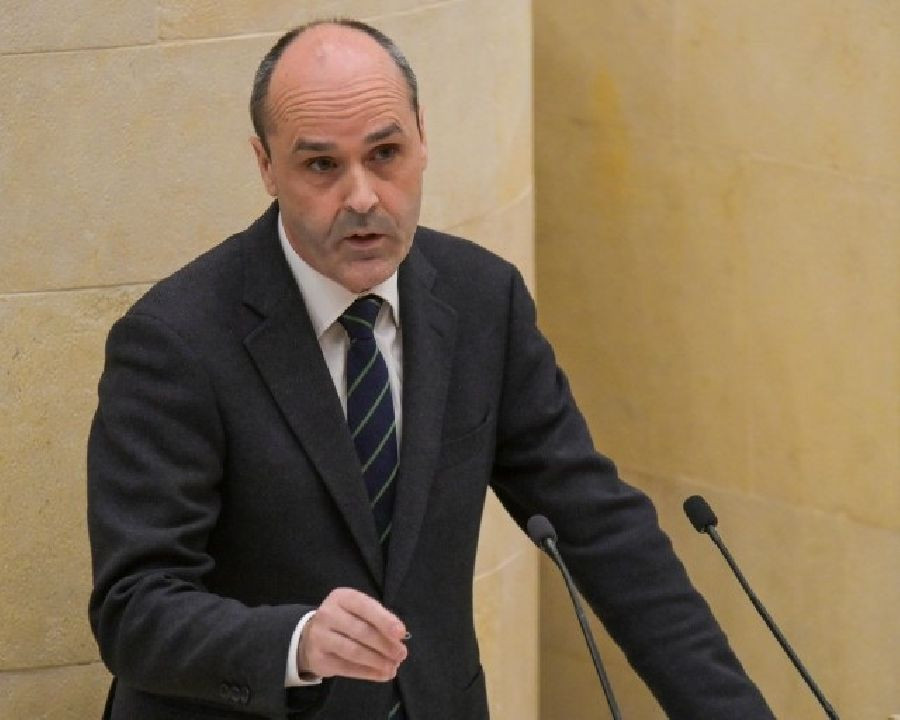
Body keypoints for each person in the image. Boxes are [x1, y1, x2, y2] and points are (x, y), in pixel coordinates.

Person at [87, 18, 775, 720]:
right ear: (266, 165)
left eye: (385, 153)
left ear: (422, 138)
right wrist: (296, 642)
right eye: (321, 166)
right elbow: (134, 607)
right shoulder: (175, 342)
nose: (362, 197)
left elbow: (600, 528)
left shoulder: (482, 300)